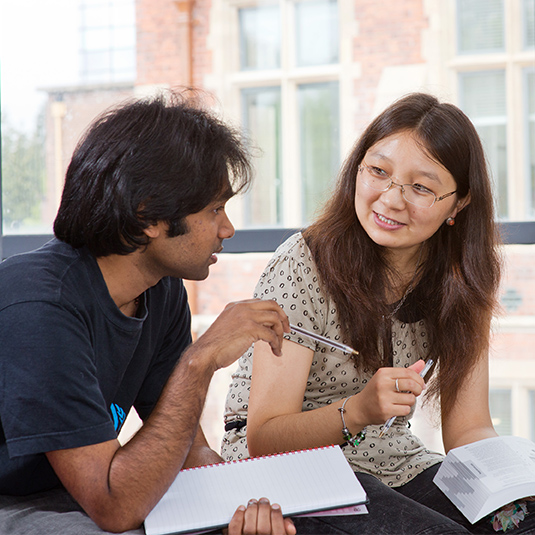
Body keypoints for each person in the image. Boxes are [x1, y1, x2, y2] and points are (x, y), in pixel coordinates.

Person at [222, 92, 535, 534]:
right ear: (357, 167)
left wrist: (513, 483)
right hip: (288, 473)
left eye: (421, 187)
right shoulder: (303, 263)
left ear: (459, 203)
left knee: (522, 521)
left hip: (394, 463)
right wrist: (359, 409)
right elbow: (264, 438)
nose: (390, 199)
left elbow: (468, 430)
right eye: (378, 171)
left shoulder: (463, 276)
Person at [0, 90, 297, 535]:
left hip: (80, 494)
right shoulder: (41, 305)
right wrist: (200, 361)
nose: (227, 229)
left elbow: (188, 451)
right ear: (148, 217)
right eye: (215, 209)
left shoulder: (161, 289)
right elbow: (114, 508)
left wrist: (244, 506)